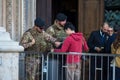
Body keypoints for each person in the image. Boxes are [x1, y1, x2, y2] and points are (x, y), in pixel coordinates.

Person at [46, 13, 67, 80]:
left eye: (65, 20)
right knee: (54, 75)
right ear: (58, 21)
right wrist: (52, 49)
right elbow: (47, 42)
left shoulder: (65, 29)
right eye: (63, 21)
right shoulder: (51, 29)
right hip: (54, 57)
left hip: (64, 55)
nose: (65, 22)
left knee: (63, 74)